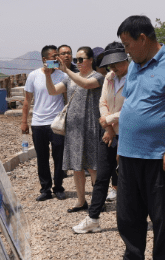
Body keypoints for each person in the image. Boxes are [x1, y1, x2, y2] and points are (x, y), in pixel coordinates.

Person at [108, 15, 165, 260]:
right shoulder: (134, 66)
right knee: (127, 214)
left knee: (160, 215)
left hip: (157, 155)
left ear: (143, 39)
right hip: (129, 152)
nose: (126, 50)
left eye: (128, 44)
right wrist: (121, 146)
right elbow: (132, 104)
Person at [73, 42, 129, 234]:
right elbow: (103, 101)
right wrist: (109, 127)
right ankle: (93, 217)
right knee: (102, 175)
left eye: (116, 63)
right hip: (110, 133)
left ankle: (131, 218)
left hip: (130, 134)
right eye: (109, 64)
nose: (113, 67)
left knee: (129, 178)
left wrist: (109, 120)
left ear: (126, 59)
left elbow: (132, 108)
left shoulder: (135, 77)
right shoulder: (110, 77)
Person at [45, 46, 105, 213]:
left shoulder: (98, 77)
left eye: (81, 59)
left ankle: (98, 201)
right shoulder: (70, 77)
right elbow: (52, 91)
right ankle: (81, 201)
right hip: (73, 128)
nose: (77, 63)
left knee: (93, 166)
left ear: (91, 60)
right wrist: (47, 76)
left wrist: (66, 70)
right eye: (76, 60)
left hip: (91, 126)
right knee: (77, 166)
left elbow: (85, 84)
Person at [22, 45, 68, 201]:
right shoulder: (33, 75)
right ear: (44, 59)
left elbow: (67, 99)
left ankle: (59, 187)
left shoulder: (63, 76)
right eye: (53, 56)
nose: (56, 58)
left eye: (57, 56)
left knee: (59, 157)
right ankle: (45, 189)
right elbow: (27, 101)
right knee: (42, 158)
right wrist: (24, 122)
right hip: (38, 123)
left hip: (57, 123)